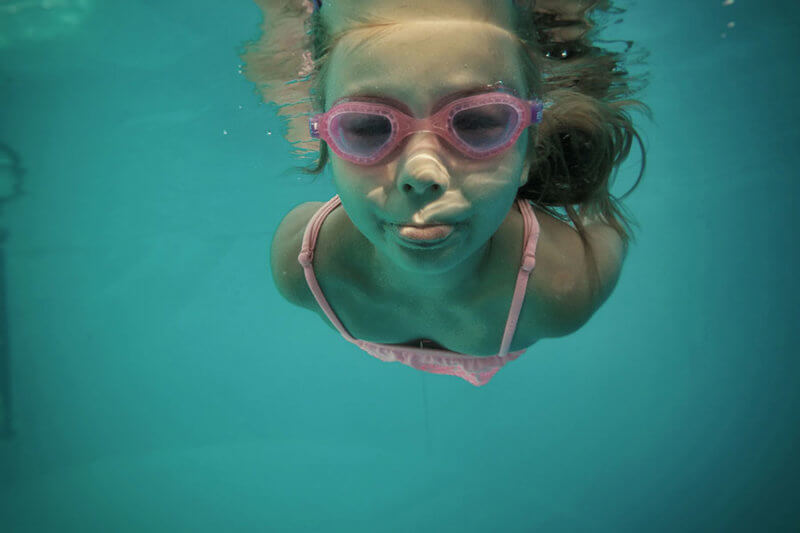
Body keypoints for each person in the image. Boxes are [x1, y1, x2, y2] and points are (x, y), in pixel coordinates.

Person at [242, 0, 649, 386]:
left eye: (477, 122)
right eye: (366, 128)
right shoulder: (302, 265)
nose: (422, 173)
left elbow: (606, 228)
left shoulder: (564, 285)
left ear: (530, 150)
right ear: (328, 147)